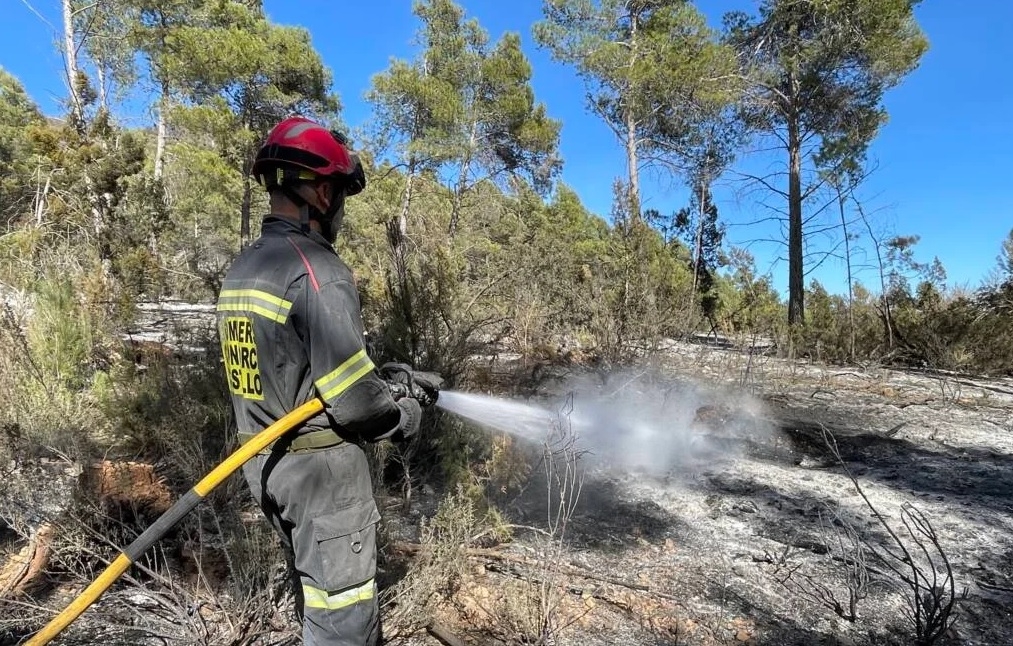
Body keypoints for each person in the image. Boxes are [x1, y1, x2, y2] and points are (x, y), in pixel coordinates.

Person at [215, 115, 438, 645]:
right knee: (344, 621)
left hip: (266, 466)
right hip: (322, 477)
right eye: (338, 191)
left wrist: (376, 379)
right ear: (318, 191)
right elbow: (358, 406)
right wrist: (405, 414)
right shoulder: (318, 267)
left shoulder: (245, 267)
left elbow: (298, 369)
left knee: (314, 601)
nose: (340, 207)